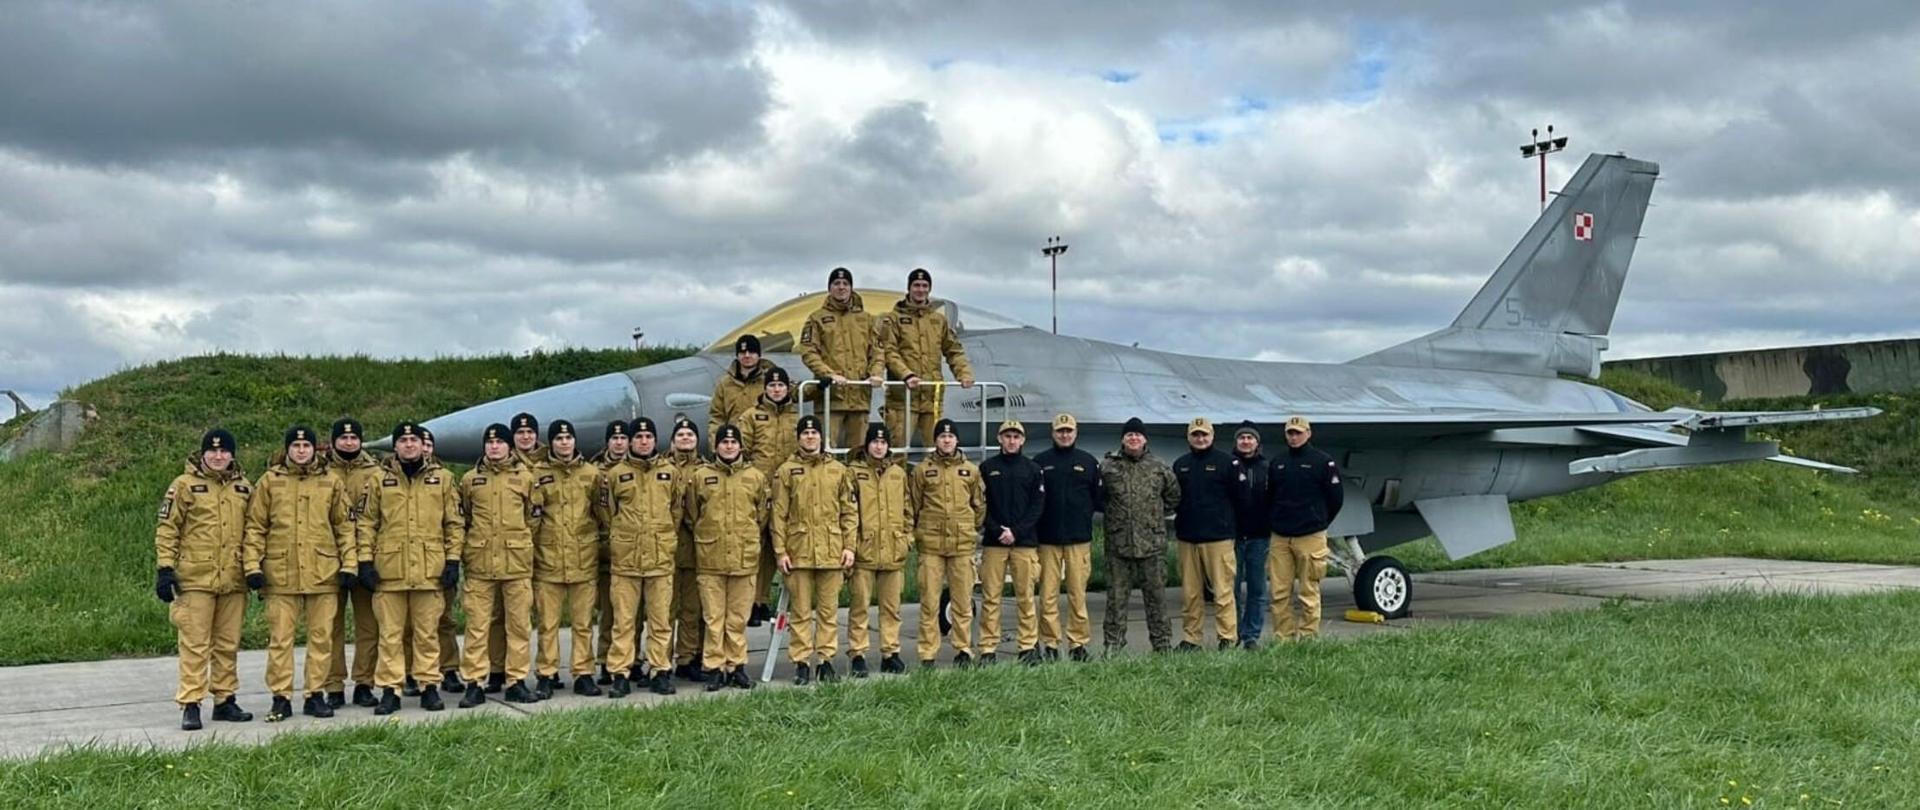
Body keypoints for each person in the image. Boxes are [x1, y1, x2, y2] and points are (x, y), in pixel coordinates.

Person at [243, 425, 356, 722]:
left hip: (323, 573)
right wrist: (252, 566)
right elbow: (256, 527)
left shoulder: (330, 482)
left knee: (322, 638)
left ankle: (315, 694)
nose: (302, 451)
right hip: (281, 574)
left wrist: (349, 565)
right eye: (296, 446)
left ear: (314, 449)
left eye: (306, 446)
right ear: (288, 449)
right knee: (281, 639)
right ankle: (281, 697)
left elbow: (344, 526)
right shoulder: (270, 482)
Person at [355, 422, 462, 715]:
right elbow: (366, 524)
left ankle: (429, 686)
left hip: (430, 570)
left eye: (414, 439)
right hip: (389, 572)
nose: (409, 445)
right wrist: (365, 562)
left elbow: (454, 524)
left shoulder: (443, 479)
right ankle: (391, 689)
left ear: (422, 444)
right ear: (396, 446)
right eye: (403, 440)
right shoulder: (379, 480)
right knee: (390, 634)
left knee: (427, 633)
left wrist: (452, 561)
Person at [154, 428, 255, 731]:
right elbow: (167, 529)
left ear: (232, 454)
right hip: (195, 578)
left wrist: (253, 569)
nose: (219, 456)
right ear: (203, 454)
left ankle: (225, 700)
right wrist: (165, 569)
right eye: (213, 451)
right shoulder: (184, 486)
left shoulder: (244, 488)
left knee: (227, 643)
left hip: (233, 578)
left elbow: (254, 531)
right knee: (195, 644)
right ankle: (191, 702)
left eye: (224, 451)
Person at [455, 423, 544, 708]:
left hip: (516, 564)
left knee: (518, 625)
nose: (494, 447)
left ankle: (516, 680)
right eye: (489, 443)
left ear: (509, 446)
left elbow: (535, 517)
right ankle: (475, 682)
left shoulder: (526, 478)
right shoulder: (471, 479)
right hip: (481, 565)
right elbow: (465, 517)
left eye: (500, 443)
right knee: (478, 626)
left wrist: (519, 542)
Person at [598, 416, 683, 697]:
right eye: (638, 437)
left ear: (655, 440)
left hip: (660, 559)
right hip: (626, 561)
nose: (644, 441)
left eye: (648, 437)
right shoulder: (614, 474)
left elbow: (677, 511)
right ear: (631, 441)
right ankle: (620, 672)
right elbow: (607, 514)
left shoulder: (670, 472)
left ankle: (660, 670)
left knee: (660, 621)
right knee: (623, 622)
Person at [771, 415, 857, 685]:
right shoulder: (787, 471)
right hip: (799, 552)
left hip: (831, 551)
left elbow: (849, 512)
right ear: (798, 437)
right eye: (805, 433)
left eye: (814, 433)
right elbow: (778, 515)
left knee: (829, 612)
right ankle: (801, 661)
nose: (810, 437)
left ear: (822, 437)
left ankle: (826, 660)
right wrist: (780, 551)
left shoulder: (838, 470)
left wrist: (850, 547)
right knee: (800, 612)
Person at [689, 424, 770, 691]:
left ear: (740, 446)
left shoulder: (755, 477)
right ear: (716, 446)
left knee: (737, 617)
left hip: (743, 558)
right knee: (714, 618)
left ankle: (736, 666)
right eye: (724, 442)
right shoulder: (701, 476)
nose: (729, 446)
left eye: (733, 442)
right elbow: (692, 514)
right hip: (710, 558)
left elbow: (761, 515)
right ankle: (714, 667)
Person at [532, 420, 605, 699]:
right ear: (551, 443)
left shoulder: (592, 473)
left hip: (583, 558)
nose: (564, 442)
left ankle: (583, 673)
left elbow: (602, 513)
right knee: (547, 624)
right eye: (559, 438)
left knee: (583, 623)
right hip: (548, 559)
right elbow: (532, 516)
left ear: (575, 442)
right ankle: (547, 674)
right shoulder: (538, 474)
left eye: (568, 438)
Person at [1100, 418, 1180, 655]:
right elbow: (1100, 497)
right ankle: (1113, 646)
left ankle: (1162, 644)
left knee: (1156, 598)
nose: (1133, 438)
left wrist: (1152, 518)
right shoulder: (1107, 467)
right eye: (1129, 435)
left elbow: (1173, 496)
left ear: (1145, 439)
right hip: (1118, 545)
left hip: (1152, 546)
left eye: (1137, 435)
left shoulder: (1159, 467)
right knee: (1116, 600)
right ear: (1123, 439)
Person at [910, 418, 985, 669]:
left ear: (957, 440)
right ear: (936, 440)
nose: (946, 440)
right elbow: (914, 505)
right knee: (929, 602)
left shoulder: (971, 471)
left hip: (962, 545)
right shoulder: (922, 470)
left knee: (963, 602)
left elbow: (979, 506)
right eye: (942, 437)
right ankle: (927, 653)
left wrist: (967, 527)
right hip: (931, 546)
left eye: (951, 437)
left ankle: (963, 649)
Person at [322, 417, 385, 708]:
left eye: (353, 438)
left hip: (366, 559)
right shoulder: (321, 472)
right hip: (329, 559)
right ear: (334, 440)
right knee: (330, 627)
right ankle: (333, 685)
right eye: (343, 438)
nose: (349, 443)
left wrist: (368, 560)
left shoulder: (376, 473)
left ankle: (364, 682)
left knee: (368, 626)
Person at [877, 267, 975, 448]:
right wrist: (906, 375)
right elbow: (889, 352)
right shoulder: (893, 319)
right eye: (916, 285)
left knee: (935, 451)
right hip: (902, 398)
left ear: (929, 289)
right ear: (909, 288)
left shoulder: (938, 321)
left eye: (924, 285)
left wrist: (964, 373)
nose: (920, 289)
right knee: (897, 450)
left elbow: (953, 349)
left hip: (932, 398)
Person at [1266, 416, 1345, 640]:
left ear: (1308, 434)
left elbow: (1335, 498)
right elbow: (1270, 496)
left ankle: (1308, 637)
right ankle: (1283, 637)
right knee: (1279, 592)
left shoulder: (1322, 462)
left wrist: (1319, 522)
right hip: (1281, 537)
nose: (1294, 436)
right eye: (1290, 432)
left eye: (1298, 432)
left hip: (1310, 536)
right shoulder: (1278, 462)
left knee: (1309, 590)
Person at [845, 423, 914, 676]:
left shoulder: (898, 474)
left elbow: (908, 509)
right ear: (867, 445)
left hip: (893, 551)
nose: (879, 446)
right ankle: (858, 653)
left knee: (891, 607)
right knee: (860, 606)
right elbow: (848, 511)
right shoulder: (853, 472)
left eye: (883, 443)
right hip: (865, 551)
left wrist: (907, 538)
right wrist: (851, 546)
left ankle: (890, 652)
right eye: (875, 442)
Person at [1035, 413, 1103, 663]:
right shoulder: (1041, 463)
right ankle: (1051, 644)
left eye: (1069, 430)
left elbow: (1099, 498)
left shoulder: (1088, 462)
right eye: (1060, 430)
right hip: (1048, 540)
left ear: (1076, 433)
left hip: (1078, 540)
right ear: (1053, 433)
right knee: (1048, 596)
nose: (1065, 434)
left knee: (1077, 595)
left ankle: (1078, 644)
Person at [978, 420, 1045, 665]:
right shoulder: (987, 468)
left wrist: (1016, 532)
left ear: (1023, 440)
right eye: (1007, 436)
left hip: (1024, 542)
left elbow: (1037, 506)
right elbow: (980, 505)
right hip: (995, 543)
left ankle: (1027, 646)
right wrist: (998, 531)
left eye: (1016, 436)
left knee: (1025, 596)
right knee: (991, 597)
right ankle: (987, 648)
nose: (1012, 440)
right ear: (999, 438)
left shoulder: (1033, 469)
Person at [1172, 417, 1239, 650]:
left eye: (1204, 434)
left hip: (1218, 538)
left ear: (1212, 436)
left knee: (1222, 592)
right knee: (1190, 594)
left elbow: (1240, 499)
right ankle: (1192, 638)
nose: (1200, 439)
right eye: (1195, 435)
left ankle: (1227, 637)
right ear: (1189, 437)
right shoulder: (1181, 464)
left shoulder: (1227, 463)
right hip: (1187, 537)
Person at [799, 266, 884, 450]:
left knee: (859, 454)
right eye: (836, 283)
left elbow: (877, 351)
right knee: (826, 451)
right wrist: (828, 375)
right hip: (831, 398)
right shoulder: (817, 319)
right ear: (829, 288)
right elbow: (808, 351)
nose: (841, 287)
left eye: (846, 283)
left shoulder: (867, 319)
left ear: (851, 288)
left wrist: (876, 373)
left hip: (859, 398)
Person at [741, 367, 799, 626]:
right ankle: (752, 601)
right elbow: (741, 452)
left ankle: (763, 601)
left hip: (788, 492)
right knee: (756, 546)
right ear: (765, 388)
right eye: (772, 385)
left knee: (780, 547)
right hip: (759, 491)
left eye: (781, 385)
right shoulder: (751, 417)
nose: (776, 389)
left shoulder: (798, 418)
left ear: (787, 388)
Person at [591, 419, 632, 684]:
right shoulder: (595, 471)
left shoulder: (642, 468)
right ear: (608, 442)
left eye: (623, 438)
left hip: (632, 553)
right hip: (604, 551)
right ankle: (607, 660)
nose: (619, 442)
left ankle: (633, 661)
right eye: (614, 438)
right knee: (609, 611)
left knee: (632, 615)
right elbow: (596, 510)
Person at [667, 418, 708, 680]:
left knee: (692, 610)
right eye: (680, 434)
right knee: (665, 612)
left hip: (695, 550)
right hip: (666, 550)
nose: (685, 438)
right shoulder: (661, 469)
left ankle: (687, 657)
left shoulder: (705, 471)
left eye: (690, 434)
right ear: (672, 441)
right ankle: (660, 661)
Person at [1229, 421, 1272, 648]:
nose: (1246, 441)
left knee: (1257, 588)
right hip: (1232, 537)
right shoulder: (1228, 466)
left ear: (1257, 442)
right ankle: (1233, 633)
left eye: (1250, 438)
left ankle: (1251, 635)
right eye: (1242, 438)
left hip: (1259, 537)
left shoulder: (1267, 468)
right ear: (1236, 442)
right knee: (1231, 589)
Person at [708, 333, 784, 442]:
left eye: (752, 352)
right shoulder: (724, 384)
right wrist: (717, 447)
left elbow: (794, 393)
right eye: (742, 352)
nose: (747, 355)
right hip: (734, 446)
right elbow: (716, 418)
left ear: (759, 355)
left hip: (764, 446)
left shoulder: (771, 381)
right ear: (737, 355)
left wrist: (815, 385)